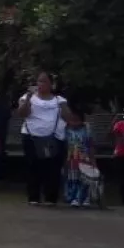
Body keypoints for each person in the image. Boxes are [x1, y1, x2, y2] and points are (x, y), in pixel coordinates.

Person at [16, 71, 71, 206]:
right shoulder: (27, 98)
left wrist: (63, 106)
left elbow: (68, 117)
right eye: (39, 81)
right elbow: (23, 113)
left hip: (54, 137)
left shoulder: (59, 100)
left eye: (44, 81)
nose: (40, 84)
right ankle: (33, 197)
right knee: (33, 166)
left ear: (51, 84)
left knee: (53, 168)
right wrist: (28, 98)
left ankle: (51, 198)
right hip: (31, 136)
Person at [63, 107, 97, 208]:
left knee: (85, 179)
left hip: (85, 159)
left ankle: (85, 198)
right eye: (72, 120)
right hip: (71, 159)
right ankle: (74, 198)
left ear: (82, 121)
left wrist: (93, 161)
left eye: (77, 120)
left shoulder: (86, 130)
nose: (74, 123)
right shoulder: (66, 131)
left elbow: (91, 146)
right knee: (73, 179)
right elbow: (64, 146)